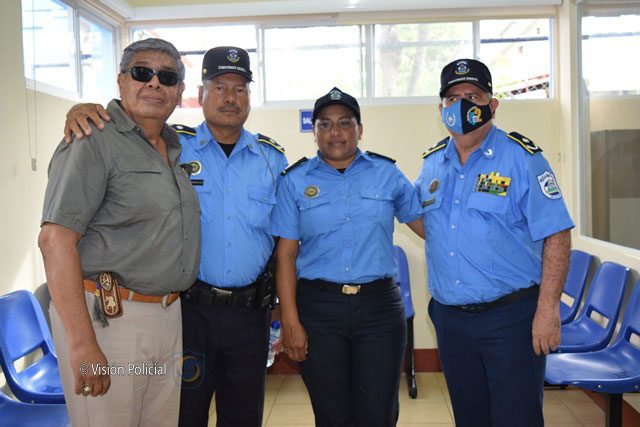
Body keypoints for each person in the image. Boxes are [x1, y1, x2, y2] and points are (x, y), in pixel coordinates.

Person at [63, 46, 287, 427]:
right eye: (219, 87)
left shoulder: (272, 159)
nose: (230, 97)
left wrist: (280, 308)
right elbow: (126, 130)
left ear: (250, 96)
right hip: (189, 311)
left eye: (240, 89)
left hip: (251, 315)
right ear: (199, 93)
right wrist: (80, 110)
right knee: (184, 414)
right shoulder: (171, 146)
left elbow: (282, 240)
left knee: (244, 416)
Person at [38, 38, 200, 427]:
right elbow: (55, 241)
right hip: (109, 319)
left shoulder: (173, 147)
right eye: (142, 73)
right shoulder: (92, 138)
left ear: (179, 90)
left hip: (167, 315)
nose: (154, 83)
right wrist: (82, 343)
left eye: (167, 77)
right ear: (121, 80)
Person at [416, 58, 574, 427]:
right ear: (441, 108)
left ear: (493, 104)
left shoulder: (522, 158)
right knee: (470, 417)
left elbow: (557, 233)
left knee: (517, 418)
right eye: (452, 99)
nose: (462, 106)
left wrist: (548, 308)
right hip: (451, 321)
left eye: (473, 96)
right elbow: (433, 227)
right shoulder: (432, 163)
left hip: (511, 319)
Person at [271, 87, 424, 427]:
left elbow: (429, 228)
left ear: (360, 129)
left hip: (379, 308)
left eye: (345, 123)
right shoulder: (295, 181)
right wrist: (291, 322)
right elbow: (286, 256)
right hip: (319, 309)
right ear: (314, 132)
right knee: (331, 414)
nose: (335, 132)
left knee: (378, 414)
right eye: (325, 124)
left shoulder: (386, 173)